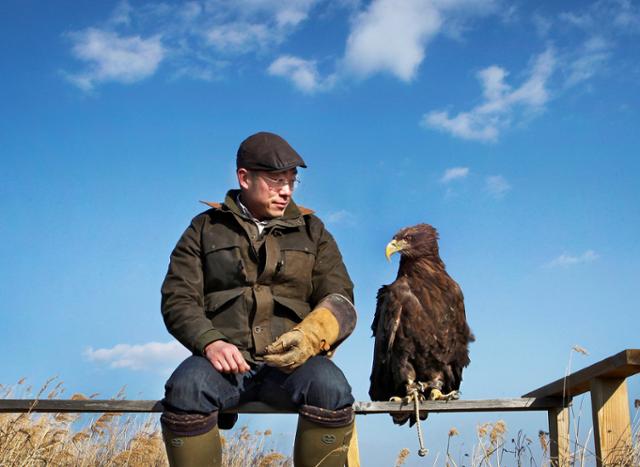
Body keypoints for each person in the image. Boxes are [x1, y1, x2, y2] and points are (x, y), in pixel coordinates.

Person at [160, 132, 357, 467]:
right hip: (223, 363)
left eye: (292, 181)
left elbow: (340, 298)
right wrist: (210, 342)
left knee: (331, 388)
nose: (286, 191)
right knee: (185, 388)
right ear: (244, 177)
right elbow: (178, 297)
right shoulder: (205, 228)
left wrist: (309, 337)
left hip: (291, 364)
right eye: (276, 180)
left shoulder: (314, 231)